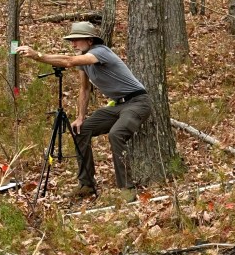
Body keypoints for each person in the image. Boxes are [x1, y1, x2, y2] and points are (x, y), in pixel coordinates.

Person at [17, 22, 152, 201]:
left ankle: (127, 188)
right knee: (80, 129)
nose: (73, 45)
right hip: (118, 105)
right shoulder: (84, 62)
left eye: (77, 40)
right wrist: (80, 117)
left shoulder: (100, 52)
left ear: (89, 40)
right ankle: (86, 184)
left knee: (116, 134)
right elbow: (84, 89)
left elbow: (68, 61)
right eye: (71, 41)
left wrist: (38, 55)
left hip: (138, 102)